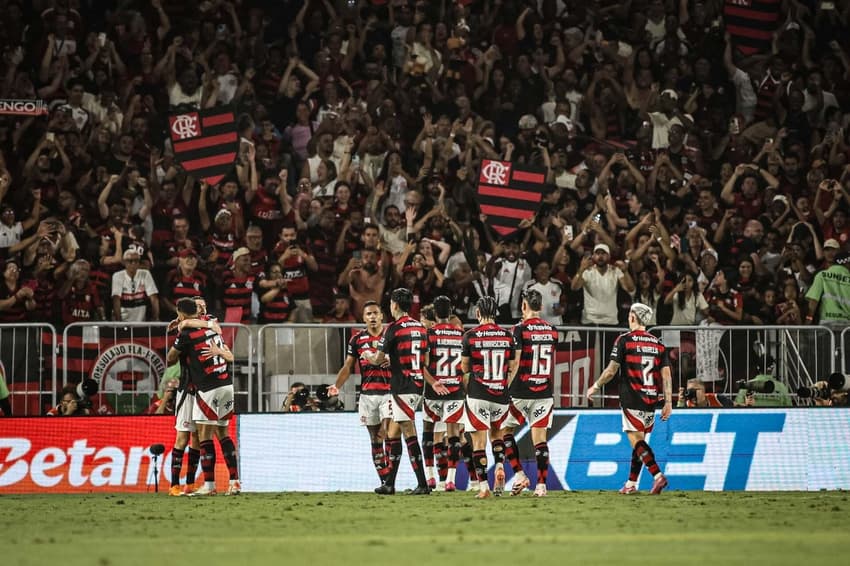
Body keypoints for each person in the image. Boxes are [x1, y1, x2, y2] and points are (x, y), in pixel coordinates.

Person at [586, 303, 672, 495]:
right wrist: (668, 402)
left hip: (632, 398)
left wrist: (595, 386)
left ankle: (658, 476)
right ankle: (631, 484)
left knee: (637, 442)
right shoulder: (658, 344)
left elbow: (611, 371)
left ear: (633, 317)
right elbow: (666, 376)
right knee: (639, 443)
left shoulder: (624, 340)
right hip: (651, 401)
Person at [365, 288, 444, 495]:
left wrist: (367, 355)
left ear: (395, 305)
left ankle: (423, 484)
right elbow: (423, 361)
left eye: (391, 303)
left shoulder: (394, 328)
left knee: (409, 434)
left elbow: (379, 359)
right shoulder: (420, 328)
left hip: (402, 387)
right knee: (393, 433)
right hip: (418, 385)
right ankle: (389, 483)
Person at [166, 298, 235, 497]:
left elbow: (207, 324)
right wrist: (181, 324)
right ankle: (174, 485)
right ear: (193, 309)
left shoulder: (208, 322)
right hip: (187, 388)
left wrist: (183, 323)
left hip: (205, 389)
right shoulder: (195, 328)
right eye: (198, 305)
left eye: (204, 304)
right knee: (183, 436)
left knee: (198, 437)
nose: (202, 307)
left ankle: (190, 484)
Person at [328, 301, 393, 486]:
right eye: (368, 314)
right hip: (367, 395)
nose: (372, 317)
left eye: (375, 313)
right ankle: (385, 481)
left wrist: (392, 360)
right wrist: (336, 386)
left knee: (387, 433)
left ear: (382, 316)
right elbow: (348, 366)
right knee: (375, 439)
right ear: (364, 318)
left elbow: (404, 359)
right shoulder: (357, 340)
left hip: (389, 392)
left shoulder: (391, 336)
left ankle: (391, 477)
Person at [502, 289, 559, 497]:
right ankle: (542, 486)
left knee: (504, 433)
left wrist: (505, 386)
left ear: (523, 306)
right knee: (540, 440)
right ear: (541, 306)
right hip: (543, 390)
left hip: (519, 390)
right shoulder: (553, 330)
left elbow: (515, 362)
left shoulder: (518, 329)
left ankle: (519, 475)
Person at [462, 296, 515, 498]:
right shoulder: (507, 336)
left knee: (478, 443)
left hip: (478, 393)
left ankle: (484, 487)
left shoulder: (470, 336)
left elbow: (465, 368)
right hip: (501, 394)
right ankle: (500, 465)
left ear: (477, 313)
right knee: (497, 437)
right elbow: (510, 367)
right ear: (495, 313)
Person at [421, 295, 465, 492]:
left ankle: (430, 477)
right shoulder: (460, 334)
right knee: (453, 434)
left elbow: (422, 365)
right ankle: (450, 480)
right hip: (455, 390)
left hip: (434, 391)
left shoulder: (429, 334)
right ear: (450, 311)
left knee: (429, 431)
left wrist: (434, 382)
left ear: (434, 314)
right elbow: (465, 365)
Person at [111, 249, 159, 321]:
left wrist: (155, 318)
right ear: (124, 262)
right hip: (123, 321)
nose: (133, 263)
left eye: (136, 261)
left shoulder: (145, 274)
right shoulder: (117, 276)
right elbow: (116, 300)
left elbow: (154, 299)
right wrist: (119, 323)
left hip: (141, 322)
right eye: (130, 261)